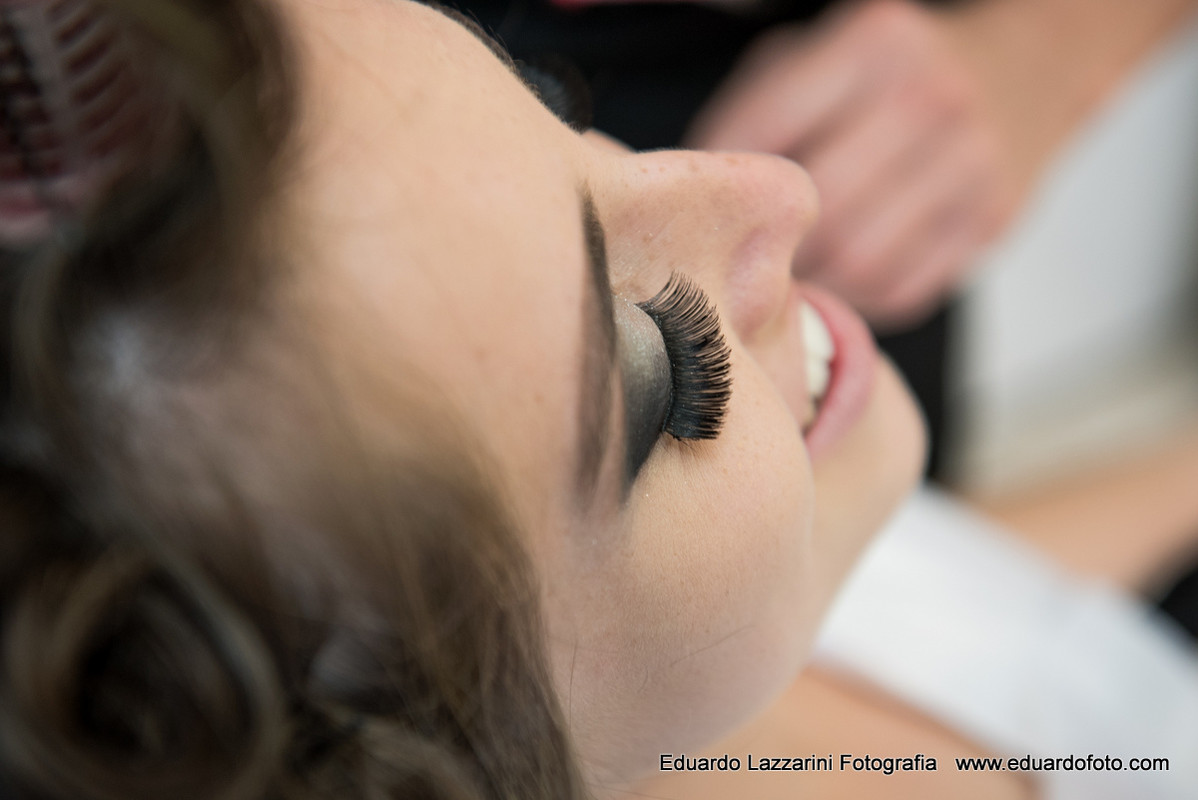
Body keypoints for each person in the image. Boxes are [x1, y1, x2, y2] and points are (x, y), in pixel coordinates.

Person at [0, 2, 1194, 800]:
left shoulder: (737, 621)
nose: (780, 192)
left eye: (550, 107)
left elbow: (1005, 648)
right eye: (663, 366)